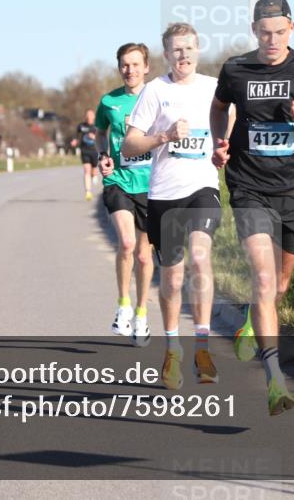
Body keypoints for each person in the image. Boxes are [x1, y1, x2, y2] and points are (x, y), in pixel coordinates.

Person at [210, 0, 294, 415]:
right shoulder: (235, 69)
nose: (272, 40)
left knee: (279, 287)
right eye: (264, 33)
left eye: (280, 33)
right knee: (264, 280)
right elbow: (218, 109)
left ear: (291, 29)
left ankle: (254, 319)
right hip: (248, 187)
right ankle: (275, 380)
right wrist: (219, 142)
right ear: (254, 31)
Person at [122, 22, 221, 390]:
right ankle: (172, 348)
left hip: (202, 188)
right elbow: (128, 146)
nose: (184, 55)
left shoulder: (214, 88)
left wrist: (227, 148)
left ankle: (203, 347)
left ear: (198, 50)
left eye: (190, 48)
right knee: (174, 277)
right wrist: (163, 136)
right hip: (164, 195)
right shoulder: (154, 91)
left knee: (200, 258)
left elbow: (233, 126)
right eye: (177, 50)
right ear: (167, 55)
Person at [95, 43, 155, 346]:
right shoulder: (109, 101)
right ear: (119, 68)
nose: (129, 70)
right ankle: (123, 304)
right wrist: (102, 155)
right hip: (117, 180)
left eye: (135, 64)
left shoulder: (158, 97)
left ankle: (142, 313)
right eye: (124, 65)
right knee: (127, 242)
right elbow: (99, 133)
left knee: (145, 255)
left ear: (146, 67)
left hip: (152, 184)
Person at [71, 109, 99, 200]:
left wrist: (94, 137)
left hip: (95, 151)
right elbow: (77, 136)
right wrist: (75, 141)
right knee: (87, 170)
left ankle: (94, 174)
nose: (89, 117)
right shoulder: (81, 126)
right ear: (85, 117)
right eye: (87, 116)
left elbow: (101, 138)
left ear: (94, 117)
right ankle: (88, 192)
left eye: (91, 116)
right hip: (84, 151)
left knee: (94, 170)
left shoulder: (97, 126)